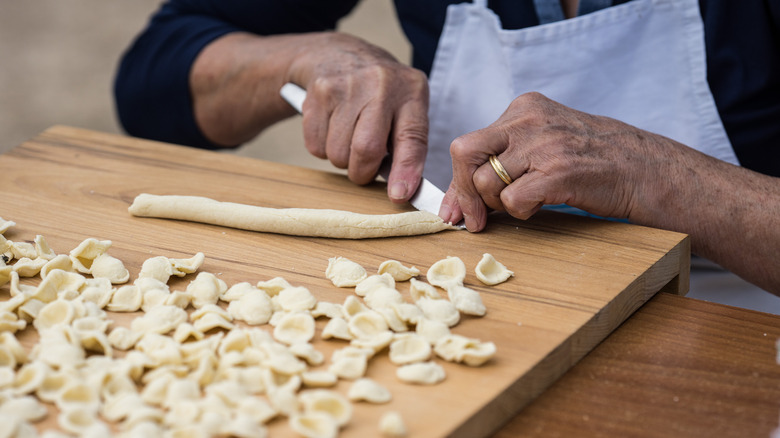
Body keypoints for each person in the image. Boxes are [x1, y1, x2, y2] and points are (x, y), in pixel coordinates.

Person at [114, 0, 780, 296]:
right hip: (458, 292)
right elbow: (153, 86)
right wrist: (302, 58)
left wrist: (672, 183)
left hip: (737, 315)